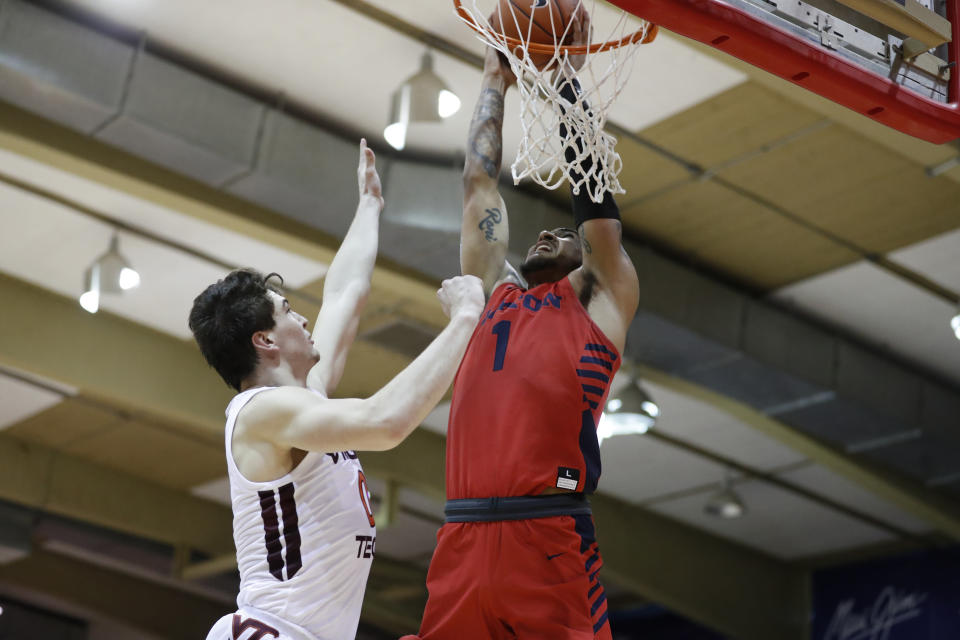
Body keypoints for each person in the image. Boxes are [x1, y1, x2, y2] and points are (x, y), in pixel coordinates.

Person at [190, 140, 485, 640]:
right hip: (273, 631)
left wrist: (369, 206)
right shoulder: (264, 412)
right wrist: (464, 318)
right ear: (264, 341)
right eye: (286, 312)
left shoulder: (303, 402)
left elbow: (346, 293)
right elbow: (385, 422)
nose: (302, 317)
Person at [406, 23, 640, 640]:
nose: (544, 234)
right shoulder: (491, 297)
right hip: (461, 534)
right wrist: (494, 78)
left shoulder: (599, 302)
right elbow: (477, 185)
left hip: (547, 536)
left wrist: (563, 75)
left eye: (560, 237)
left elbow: (595, 206)